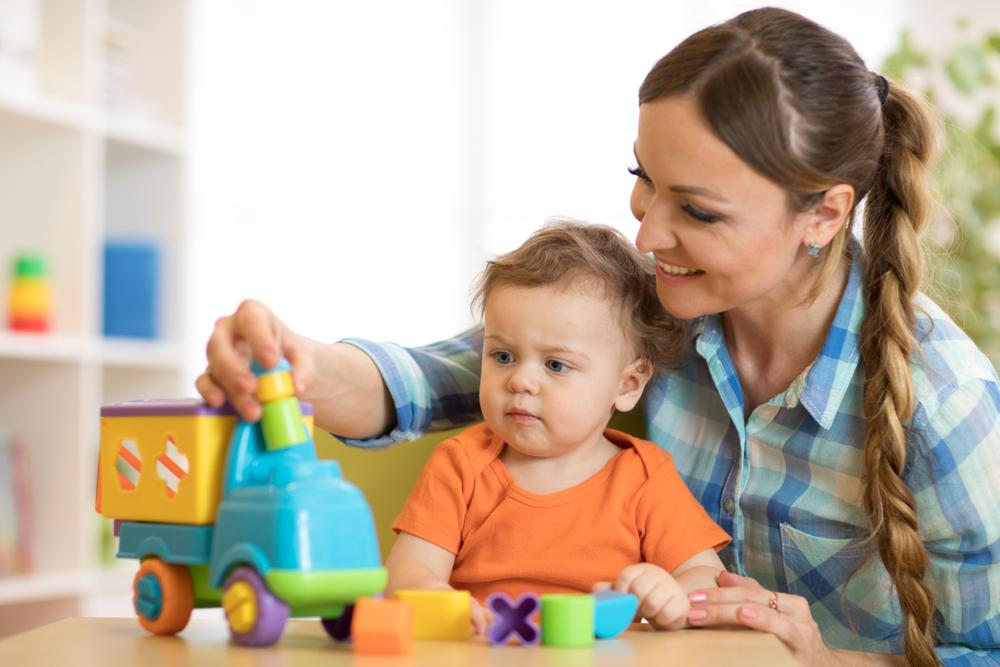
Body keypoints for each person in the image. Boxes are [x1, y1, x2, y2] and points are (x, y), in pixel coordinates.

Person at [196, 7, 1000, 666]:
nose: (648, 233)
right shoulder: (655, 310)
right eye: (641, 180)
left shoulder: (947, 406)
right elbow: (431, 380)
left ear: (824, 214)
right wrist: (296, 364)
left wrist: (822, 662)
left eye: (698, 210)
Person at [382, 222, 730, 634]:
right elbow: (408, 571)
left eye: (555, 365)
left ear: (627, 384)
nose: (521, 381)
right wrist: (429, 593)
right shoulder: (461, 465)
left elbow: (706, 577)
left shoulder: (644, 476)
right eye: (503, 356)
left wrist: (670, 594)